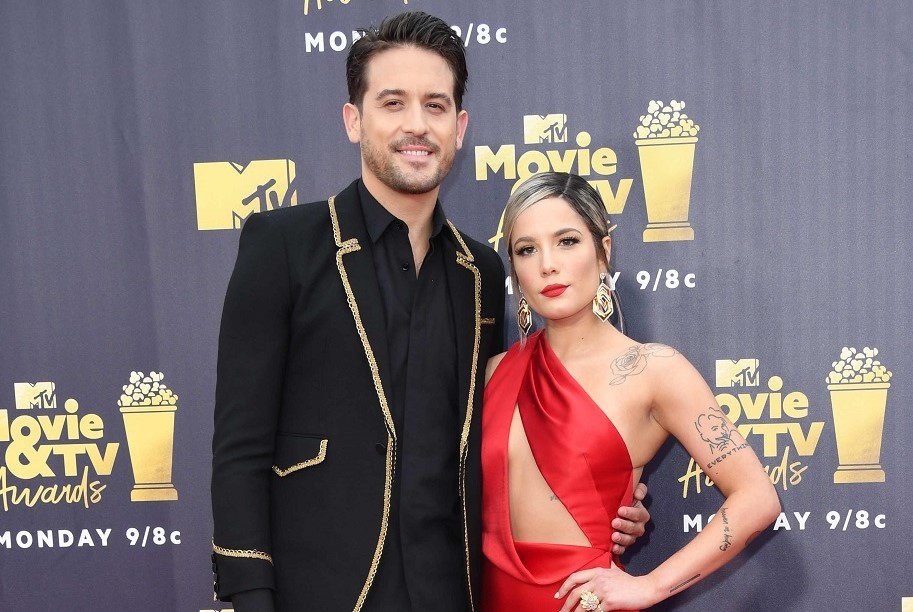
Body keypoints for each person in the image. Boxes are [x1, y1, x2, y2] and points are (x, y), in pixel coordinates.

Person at [210, 12, 650, 612]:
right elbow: (240, 447)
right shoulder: (284, 246)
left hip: (450, 589)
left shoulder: (481, 272)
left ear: (459, 127)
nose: (416, 124)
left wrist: (602, 494)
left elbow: (496, 436)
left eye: (435, 105)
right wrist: (250, 596)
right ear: (353, 119)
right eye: (393, 102)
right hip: (317, 591)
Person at [481, 172, 781, 611]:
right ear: (515, 269)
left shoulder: (654, 370)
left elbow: (757, 498)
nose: (547, 264)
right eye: (527, 249)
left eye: (567, 241)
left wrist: (652, 586)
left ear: (603, 252)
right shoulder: (492, 373)